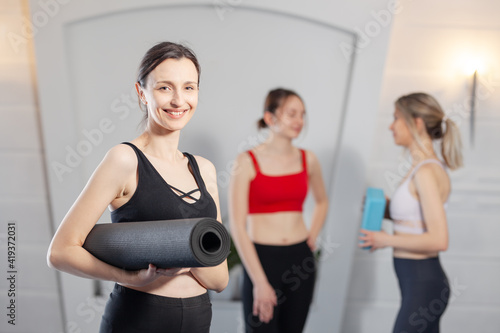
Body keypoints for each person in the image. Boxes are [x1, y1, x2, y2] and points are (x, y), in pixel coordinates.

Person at [47, 41, 228, 333]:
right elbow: (60, 251)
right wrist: (128, 276)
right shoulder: (124, 160)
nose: (178, 100)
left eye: (189, 87)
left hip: (198, 317)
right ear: (141, 92)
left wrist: (182, 248)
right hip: (141, 317)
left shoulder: (204, 169)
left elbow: (219, 280)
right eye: (164, 87)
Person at [359, 92, 463, 333]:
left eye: (396, 118)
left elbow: (439, 240)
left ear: (416, 123)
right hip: (417, 281)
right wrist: (383, 207)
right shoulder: (420, 167)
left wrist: (384, 239)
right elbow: (415, 219)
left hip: (423, 281)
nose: (390, 126)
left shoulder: (426, 171)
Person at [229, 88, 329, 333]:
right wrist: (260, 282)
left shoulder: (309, 159)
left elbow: (322, 201)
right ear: (270, 118)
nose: (299, 121)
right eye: (292, 114)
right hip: (262, 260)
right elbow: (237, 226)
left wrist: (312, 236)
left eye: (302, 115)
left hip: (300, 259)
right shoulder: (246, 161)